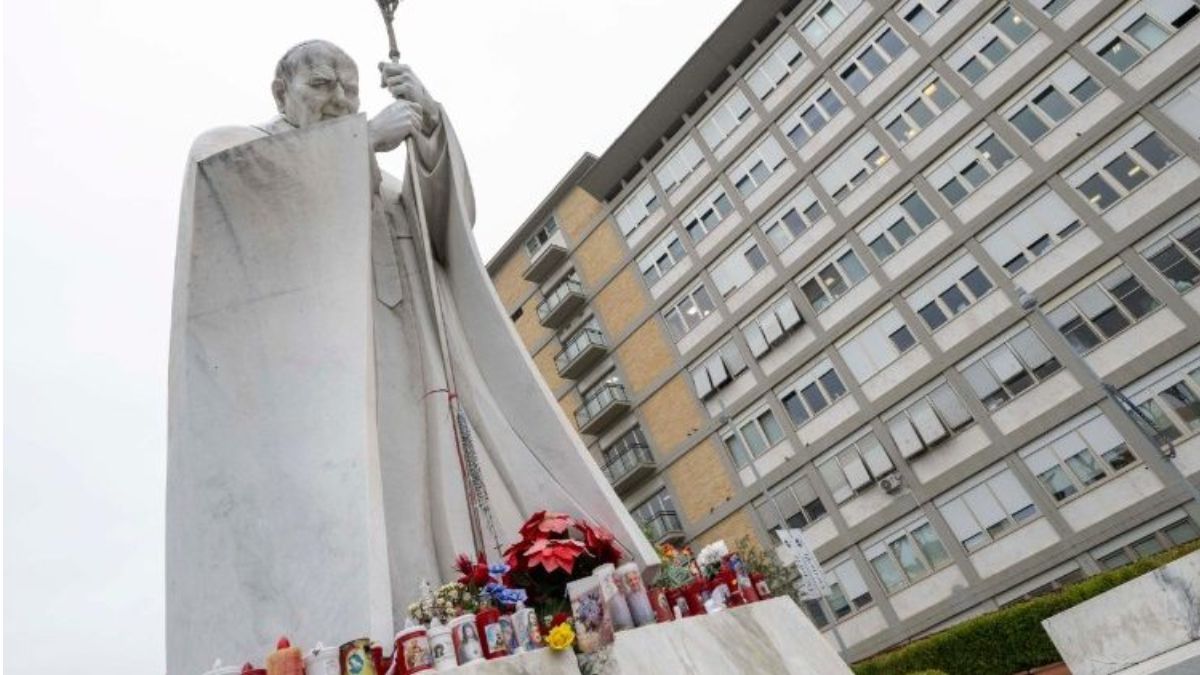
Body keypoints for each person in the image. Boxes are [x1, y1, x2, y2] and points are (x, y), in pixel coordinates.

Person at [166, 39, 656, 675]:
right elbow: (234, 188)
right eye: (321, 85)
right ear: (280, 91)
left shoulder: (382, 182)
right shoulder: (236, 147)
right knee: (375, 515)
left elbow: (449, 230)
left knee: (430, 508)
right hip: (326, 389)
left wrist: (429, 131)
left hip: (417, 365)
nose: (339, 100)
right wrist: (359, 142)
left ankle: (449, 622)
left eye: (349, 88)